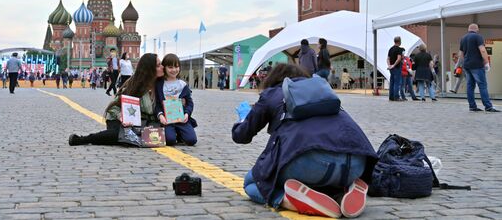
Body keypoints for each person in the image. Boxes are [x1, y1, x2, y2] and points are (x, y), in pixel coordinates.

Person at [232, 64, 377, 218]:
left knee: (251, 183)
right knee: (324, 175)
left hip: (310, 162)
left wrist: (244, 117)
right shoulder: (323, 92)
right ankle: (342, 191)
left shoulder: (272, 93)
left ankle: (289, 199)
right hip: (356, 162)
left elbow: (241, 136)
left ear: (273, 79)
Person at [68, 53, 165, 146]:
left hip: (139, 122)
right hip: (117, 118)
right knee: (119, 134)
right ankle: (84, 139)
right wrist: (121, 117)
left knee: (141, 135)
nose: (162, 67)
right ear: (149, 69)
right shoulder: (135, 85)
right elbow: (113, 107)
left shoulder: (162, 84)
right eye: (158, 65)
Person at [155, 53, 197, 146]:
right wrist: (160, 115)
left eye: (176, 67)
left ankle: (180, 134)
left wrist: (187, 113)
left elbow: (190, 103)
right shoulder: (159, 84)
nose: (174, 70)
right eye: (170, 67)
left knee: (191, 140)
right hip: (167, 120)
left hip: (181, 119)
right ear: (164, 68)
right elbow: (157, 104)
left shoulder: (182, 84)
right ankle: (174, 134)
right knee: (170, 140)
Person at [459, 23, 499, 112]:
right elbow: (482, 50)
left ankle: (472, 106)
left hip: (467, 65)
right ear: (477, 29)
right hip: (477, 65)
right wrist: (486, 62)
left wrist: (463, 64)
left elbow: (461, 54)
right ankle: (488, 106)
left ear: (468, 29)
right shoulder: (478, 37)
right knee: (482, 85)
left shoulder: (463, 38)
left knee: (470, 86)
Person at [387, 36, 404, 101]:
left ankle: (391, 97)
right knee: (397, 82)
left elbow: (388, 58)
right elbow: (399, 58)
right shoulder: (399, 49)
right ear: (399, 41)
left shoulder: (390, 49)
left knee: (392, 82)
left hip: (391, 68)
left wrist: (389, 65)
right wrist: (394, 65)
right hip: (397, 67)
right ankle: (396, 97)